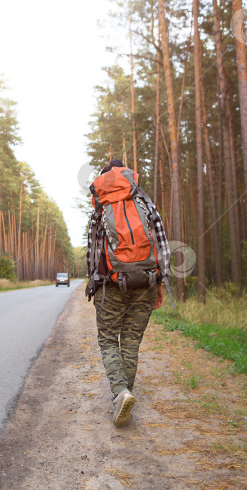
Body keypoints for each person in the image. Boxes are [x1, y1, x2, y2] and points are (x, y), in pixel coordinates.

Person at [85, 159, 170, 427]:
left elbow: (92, 251)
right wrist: (160, 281)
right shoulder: (144, 202)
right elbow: (161, 242)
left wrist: (94, 283)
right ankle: (125, 394)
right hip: (146, 280)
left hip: (112, 283)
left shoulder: (102, 206)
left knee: (108, 339)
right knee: (131, 342)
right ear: (128, 176)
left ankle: (121, 393)